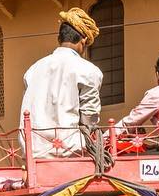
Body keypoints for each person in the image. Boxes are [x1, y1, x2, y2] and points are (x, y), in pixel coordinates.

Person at [19, 8, 102, 158]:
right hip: (68, 150)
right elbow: (90, 116)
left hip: (33, 152)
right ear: (84, 41)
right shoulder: (89, 71)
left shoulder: (32, 70)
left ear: (59, 39)